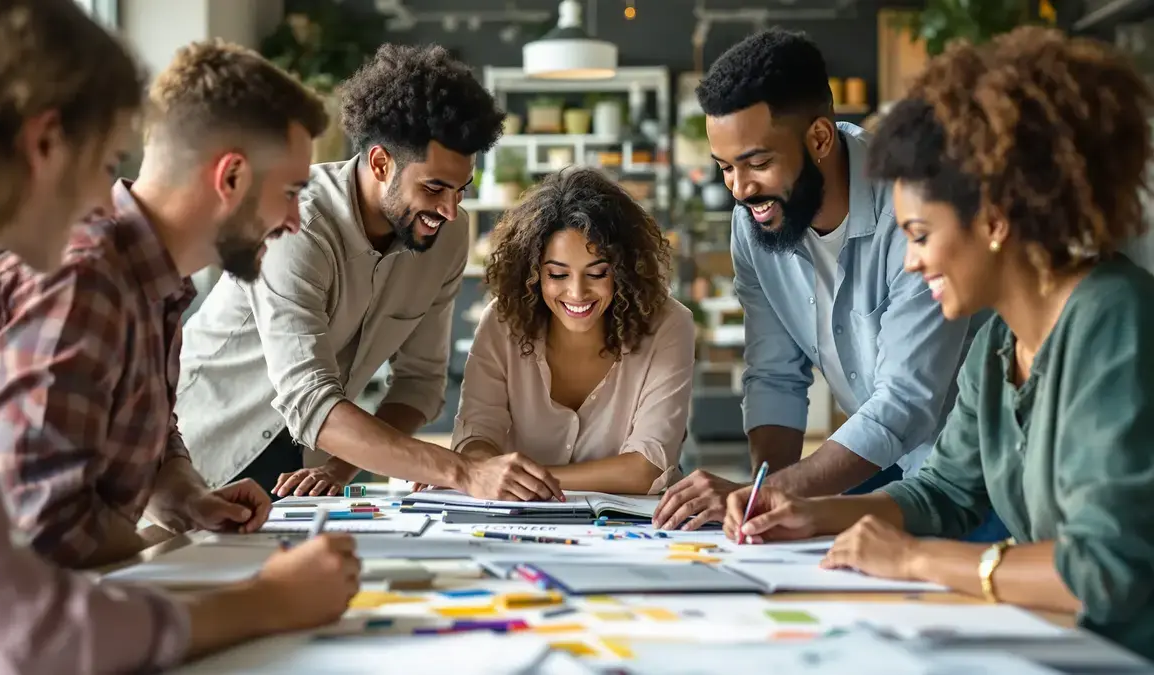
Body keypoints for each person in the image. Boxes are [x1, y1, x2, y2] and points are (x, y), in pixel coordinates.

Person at [726, 27, 1154, 661]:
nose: (915, 262)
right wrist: (807, 511)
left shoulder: (1114, 319)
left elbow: (1105, 570)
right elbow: (944, 494)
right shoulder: (999, 343)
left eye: (921, 235)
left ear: (995, 220)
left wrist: (919, 559)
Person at [0, 2, 358, 673]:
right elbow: (39, 546)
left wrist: (183, 496)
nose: (104, 197)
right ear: (45, 144)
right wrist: (261, 599)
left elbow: (139, 430)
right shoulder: (83, 277)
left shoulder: (158, 286)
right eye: (108, 158)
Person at [175, 44, 564, 503]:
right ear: (381, 163)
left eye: (462, 189)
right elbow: (310, 398)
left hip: (308, 464)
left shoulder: (445, 235)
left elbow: (420, 383)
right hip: (203, 449)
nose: (450, 209)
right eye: (434, 187)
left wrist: (340, 469)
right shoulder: (299, 224)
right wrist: (464, 472)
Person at [653, 28, 980, 531]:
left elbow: (905, 402)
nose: (740, 189)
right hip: (884, 468)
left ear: (820, 138)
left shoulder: (912, 211)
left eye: (757, 162)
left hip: (971, 478)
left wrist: (763, 493)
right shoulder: (753, 221)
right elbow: (775, 374)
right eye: (724, 168)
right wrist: (760, 510)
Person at [449, 168, 695, 496]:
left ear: (624, 271)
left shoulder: (669, 325)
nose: (577, 293)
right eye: (558, 275)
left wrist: (509, 477)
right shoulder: (502, 321)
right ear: (533, 273)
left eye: (597, 273)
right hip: (522, 522)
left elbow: (646, 468)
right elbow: (476, 436)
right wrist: (477, 467)